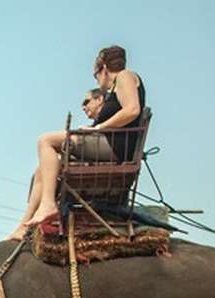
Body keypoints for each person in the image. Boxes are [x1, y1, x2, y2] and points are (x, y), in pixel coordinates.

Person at [10, 46, 147, 238]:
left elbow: (132, 110)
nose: (97, 81)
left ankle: (48, 204)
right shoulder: (117, 86)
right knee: (43, 169)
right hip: (105, 143)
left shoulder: (124, 76)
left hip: (113, 147)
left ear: (103, 68)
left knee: (45, 140)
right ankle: (23, 226)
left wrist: (99, 128)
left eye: (95, 75)